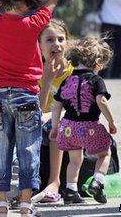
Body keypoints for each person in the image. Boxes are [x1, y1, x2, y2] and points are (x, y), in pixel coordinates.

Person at [0, 0, 60, 215]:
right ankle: (26, 205)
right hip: (27, 96)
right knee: (28, 152)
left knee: (0, 152)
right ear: (28, 0)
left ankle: (1, 204)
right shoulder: (33, 23)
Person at [49, 36, 117, 204]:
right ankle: (97, 181)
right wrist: (111, 121)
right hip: (89, 127)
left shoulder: (67, 80)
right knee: (104, 153)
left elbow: (56, 105)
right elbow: (101, 101)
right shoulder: (96, 80)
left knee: (74, 160)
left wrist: (55, 127)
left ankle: (71, 191)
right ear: (98, 62)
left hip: (68, 128)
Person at [34, 19, 74, 203]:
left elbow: (77, 109)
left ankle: (54, 182)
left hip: (64, 127)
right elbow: (37, 110)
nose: (56, 44)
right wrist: (47, 79)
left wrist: (50, 115)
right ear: (39, 45)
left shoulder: (74, 73)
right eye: (49, 40)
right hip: (37, 125)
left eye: (60, 39)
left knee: (56, 121)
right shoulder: (33, 72)